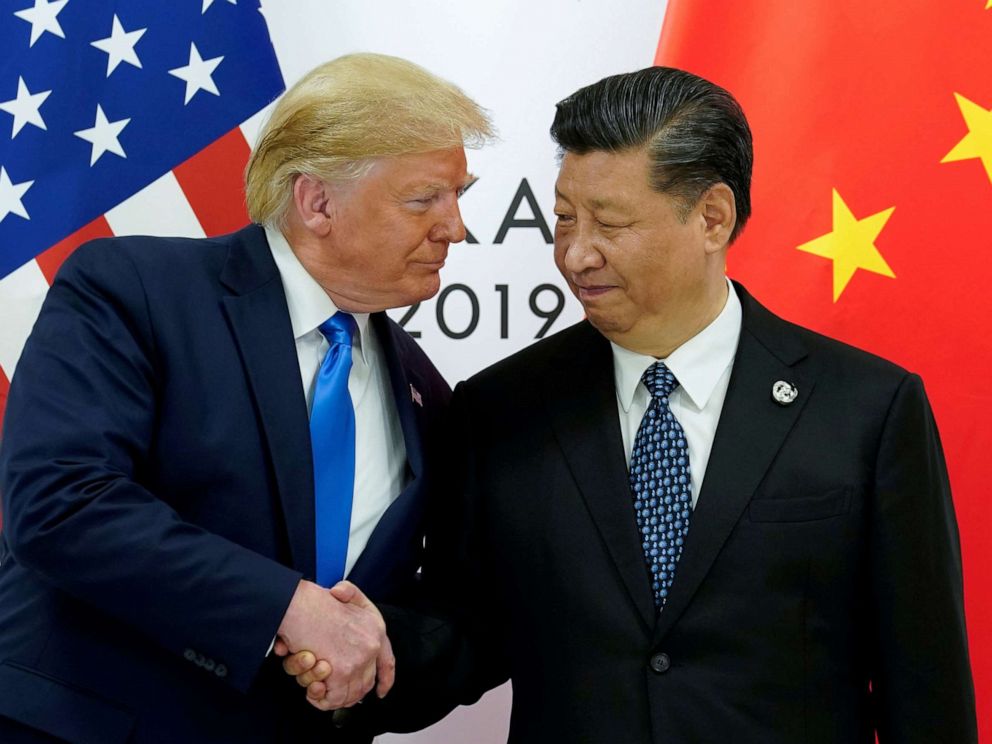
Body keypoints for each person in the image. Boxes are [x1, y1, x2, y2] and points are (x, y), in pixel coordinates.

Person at [290, 65, 977, 742]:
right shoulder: (500, 410)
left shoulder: (868, 410)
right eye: (563, 219)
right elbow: (467, 630)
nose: (576, 255)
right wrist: (368, 652)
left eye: (610, 224)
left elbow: (924, 682)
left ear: (712, 217)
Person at [0, 52, 491, 743]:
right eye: (424, 200)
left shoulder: (424, 391)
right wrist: (286, 607)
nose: (456, 228)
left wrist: (376, 645)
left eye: (458, 196)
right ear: (316, 202)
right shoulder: (135, 290)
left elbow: (447, 609)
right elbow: (60, 501)